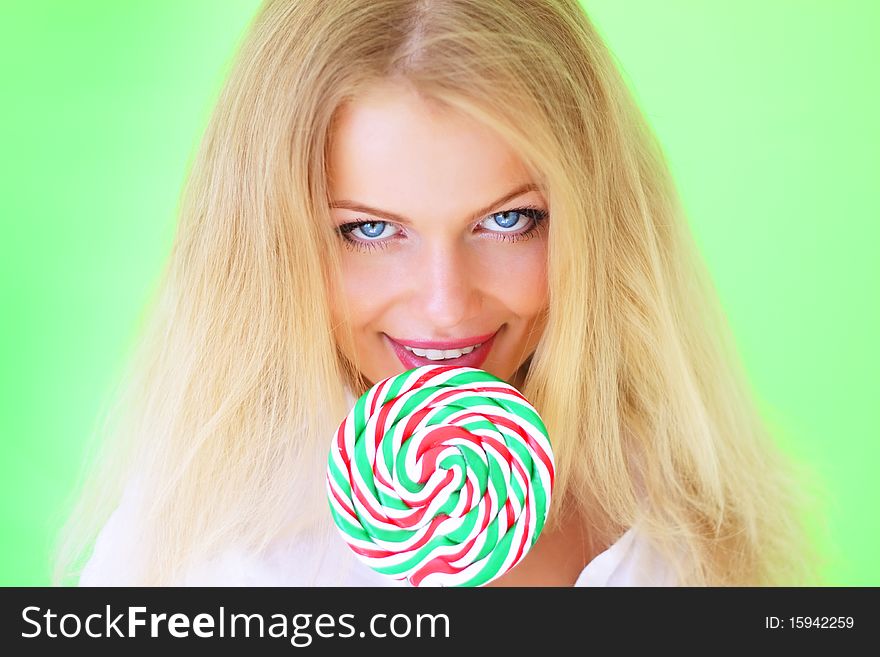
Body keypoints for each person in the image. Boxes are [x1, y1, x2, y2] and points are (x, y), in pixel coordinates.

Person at [54, 0, 819, 587]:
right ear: (268, 246)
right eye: (370, 231)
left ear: (597, 222)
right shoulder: (201, 551)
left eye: (509, 219)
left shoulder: (681, 523)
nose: (447, 305)